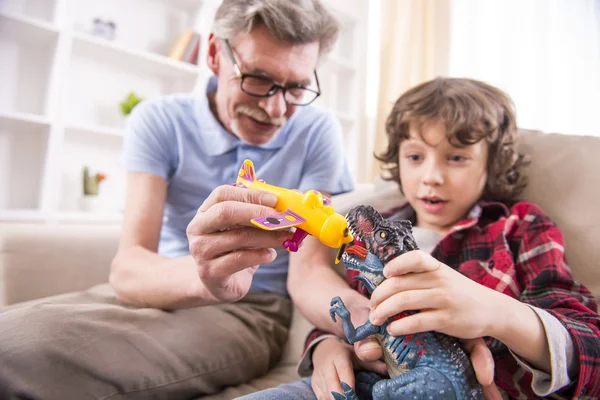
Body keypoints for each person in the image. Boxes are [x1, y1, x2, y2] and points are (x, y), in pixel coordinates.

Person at [0, 0, 356, 398]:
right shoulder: (159, 120)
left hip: (250, 310)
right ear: (213, 54)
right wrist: (207, 274)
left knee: (24, 355)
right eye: (257, 78)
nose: (275, 108)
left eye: (295, 88)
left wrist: (369, 319)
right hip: (159, 284)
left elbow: (308, 273)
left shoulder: (317, 130)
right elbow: (129, 267)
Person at [240, 77, 600, 400]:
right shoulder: (374, 234)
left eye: (456, 157)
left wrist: (498, 314)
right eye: (415, 156)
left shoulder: (518, 226)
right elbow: (351, 318)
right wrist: (324, 348)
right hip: (366, 384)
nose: (431, 176)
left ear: (491, 164)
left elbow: (589, 348)